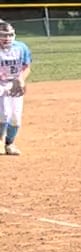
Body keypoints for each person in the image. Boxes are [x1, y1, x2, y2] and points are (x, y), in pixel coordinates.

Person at [0, 21, 29, 156]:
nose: (7, 38)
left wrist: (21, 80)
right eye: (3, 35)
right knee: (4, 113)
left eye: (10, 35)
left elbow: (26, 67)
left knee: (15, 118)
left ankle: (10, 143)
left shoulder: (21, 47)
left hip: (15, 84)